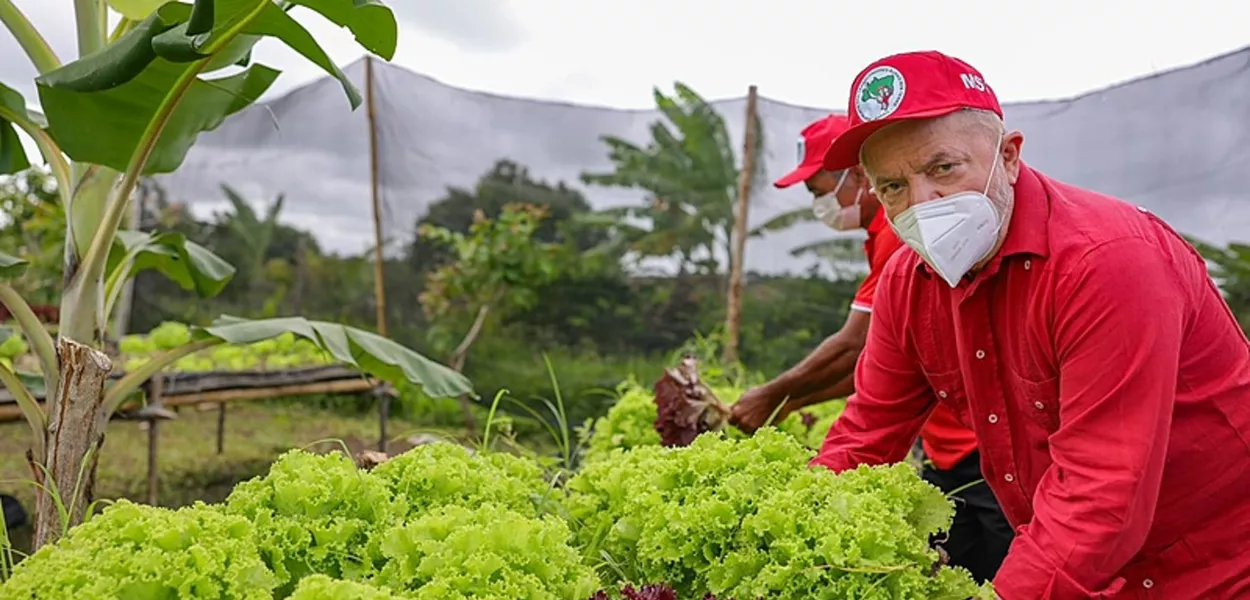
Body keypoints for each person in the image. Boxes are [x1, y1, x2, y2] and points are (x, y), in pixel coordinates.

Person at [812, 49, 1250, 598]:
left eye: (943, 168)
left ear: (1010, 157)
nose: (922, 204)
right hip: (1077, 561)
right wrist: (799, 530)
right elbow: (869, 431)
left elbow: (1101, 492)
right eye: (893, 187)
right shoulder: (908, 280)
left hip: (1217, 567)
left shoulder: (1106, 262)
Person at [731, 114, 1011, 583]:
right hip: (946, 447)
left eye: (820, 189)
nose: (821, 203)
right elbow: (885, 368)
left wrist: (772, 397)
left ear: (858, 178)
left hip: (984, 450)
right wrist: (795, 402)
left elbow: (853, 344)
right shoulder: (889, 235)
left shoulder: (901, 232)